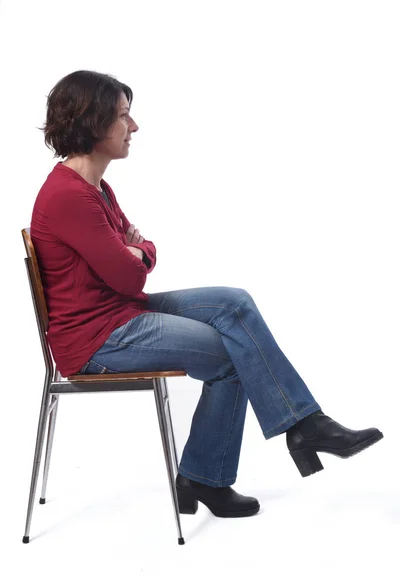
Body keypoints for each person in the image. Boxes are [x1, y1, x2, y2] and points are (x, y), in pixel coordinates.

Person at [31, 70, 383, 519]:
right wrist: (136, 250)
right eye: (123, 116)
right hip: (96, 339)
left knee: (233, 302)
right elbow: (129, 273)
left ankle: (302, 425)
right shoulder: (68, 196)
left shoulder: (96, 186)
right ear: (93, 121)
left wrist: (136, 251)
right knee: (237, 352)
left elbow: (136, 255)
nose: (133, 127)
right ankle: (214, 472)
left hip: (118, 313)